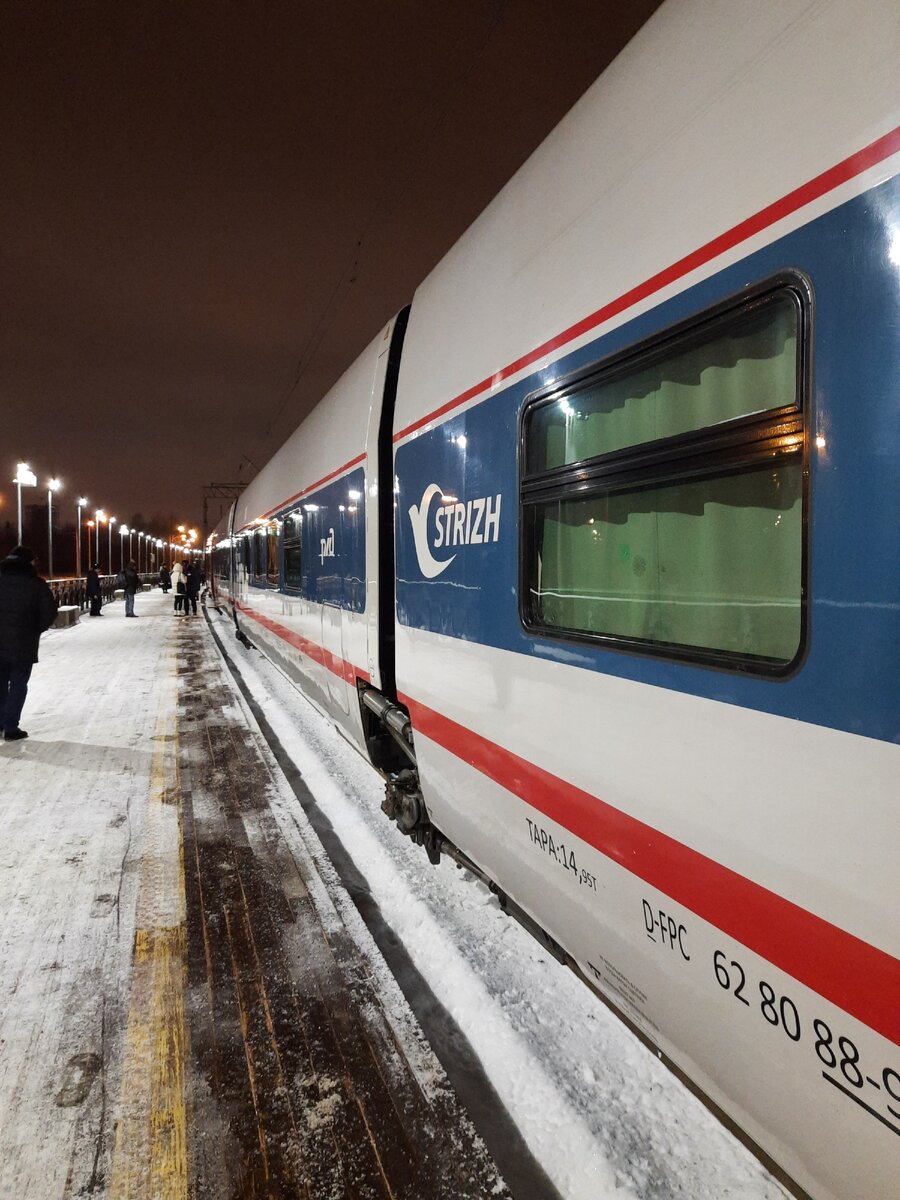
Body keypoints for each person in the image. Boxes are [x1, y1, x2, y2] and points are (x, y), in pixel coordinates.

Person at [0, 545, 58, 741]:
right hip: (23, 645)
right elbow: (49, 612)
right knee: (18, 684)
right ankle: (10, 728)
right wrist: (34, 629)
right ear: (28, 563)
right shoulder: (37, 584)